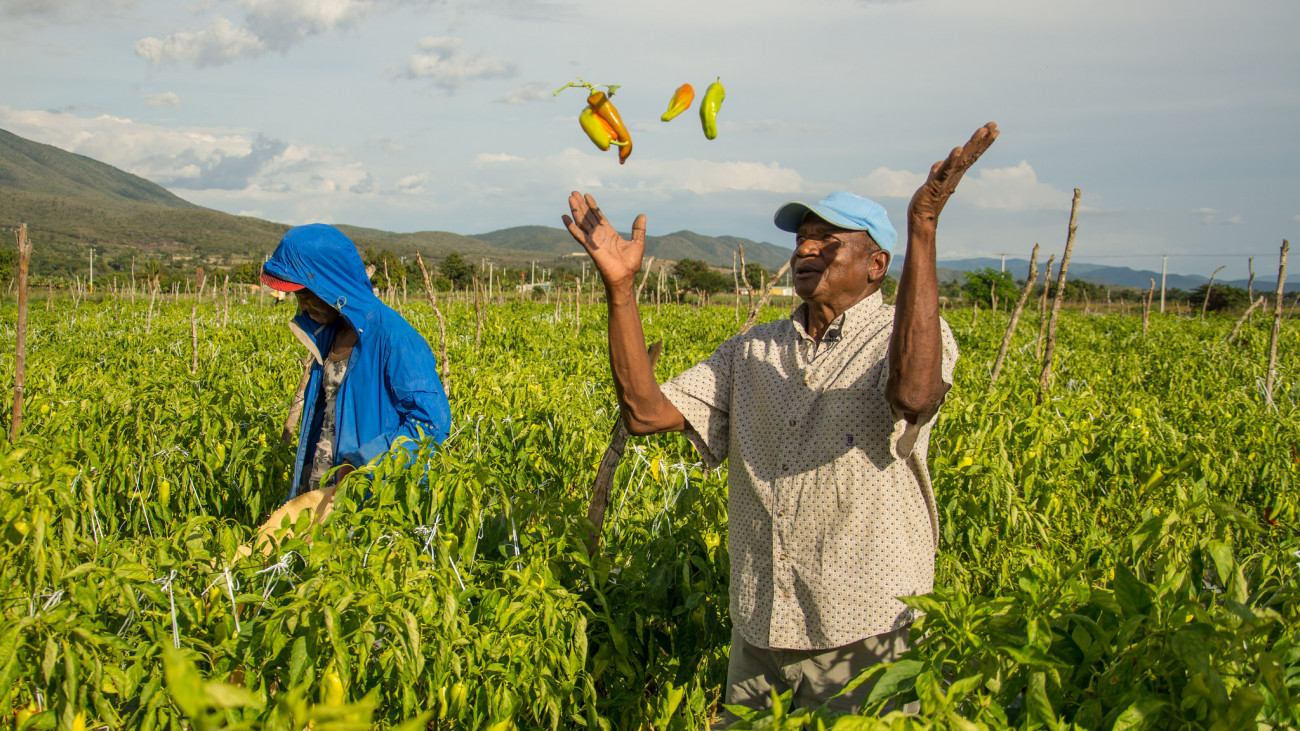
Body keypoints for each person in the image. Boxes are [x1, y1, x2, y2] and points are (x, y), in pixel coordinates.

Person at [562, 122, 998, 719]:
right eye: (801, 240)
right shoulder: (752, 351)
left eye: (827, 239)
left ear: (876, 264)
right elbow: (644, 411)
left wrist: (923, 227)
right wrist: (620, 289)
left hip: (866, 633)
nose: (805, 250)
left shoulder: (904, 341)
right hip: (762, 627)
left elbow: (915, 394)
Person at [260, 223, 451, 512]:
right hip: (323, 489)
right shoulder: (329, 334)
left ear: (330, 284)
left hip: (368, 495)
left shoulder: (395, 338)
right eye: (298, 296)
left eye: (306, 293)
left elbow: (431, 425)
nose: (303, 304)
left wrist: (361, 465)